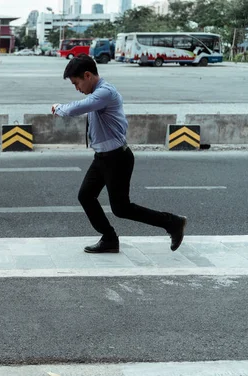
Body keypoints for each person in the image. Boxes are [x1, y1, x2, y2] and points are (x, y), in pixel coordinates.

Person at [51, 54, 187, 254]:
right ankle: (109, 239)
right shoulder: (97, 94)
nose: (76, 88)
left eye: (76, 83)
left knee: (121, 208)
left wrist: (58, 108)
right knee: (86, 196)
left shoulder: (105, 93)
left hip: (117, 158)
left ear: (87, 75)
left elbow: (77, 109)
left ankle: (173, 222)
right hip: (103, 157)